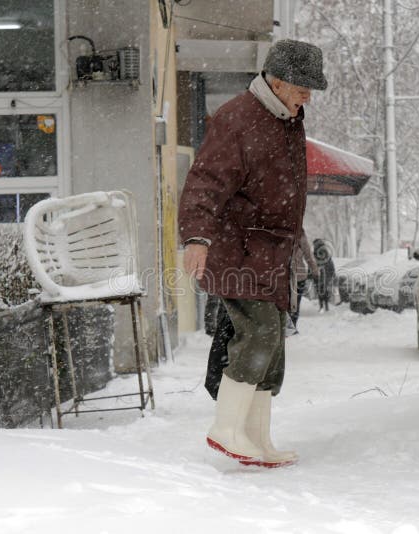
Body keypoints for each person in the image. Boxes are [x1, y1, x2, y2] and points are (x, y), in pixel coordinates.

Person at [178, 39, 327, 467]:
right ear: (277, 82)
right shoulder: (238, 120)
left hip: (271, 254)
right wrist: (197, 239)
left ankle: (257, 439)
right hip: (238, 248)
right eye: (303, 88)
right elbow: (205, 182)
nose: (308, 96)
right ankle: (226, 429)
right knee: (259, 334)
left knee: (274, 344)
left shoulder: (286, 119)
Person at [290, 229, 319, 330]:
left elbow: (308, 255)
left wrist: (315, 270)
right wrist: (315, 271)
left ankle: (291, 326)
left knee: (293, 304)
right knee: (294, 304)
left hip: (295, 276)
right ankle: (290, 327)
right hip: (293, 276)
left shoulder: (299, 235)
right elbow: (308, 255)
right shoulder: (299, 233)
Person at [313, 238, 335, 312]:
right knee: (324, 290)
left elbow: (313, 263)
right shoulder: (325, 251)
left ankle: (322, 306)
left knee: (320, 290)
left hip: (320, 274)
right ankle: (325, 306)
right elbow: (330, 263)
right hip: (325, 274)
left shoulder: (317, 252)